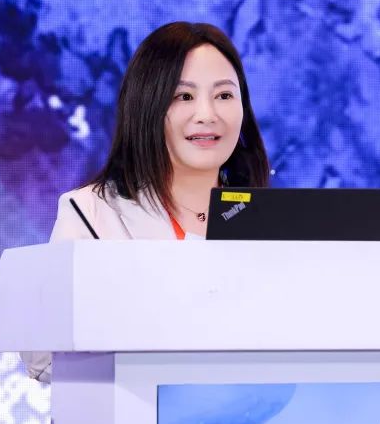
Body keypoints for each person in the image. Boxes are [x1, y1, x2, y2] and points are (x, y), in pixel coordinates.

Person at [22, 21, 271, 382]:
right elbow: (44, 360)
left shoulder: (268, 220)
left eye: (224, 95)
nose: (207, 114)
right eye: (183, 96)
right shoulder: (92, 213)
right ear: (147, 106)